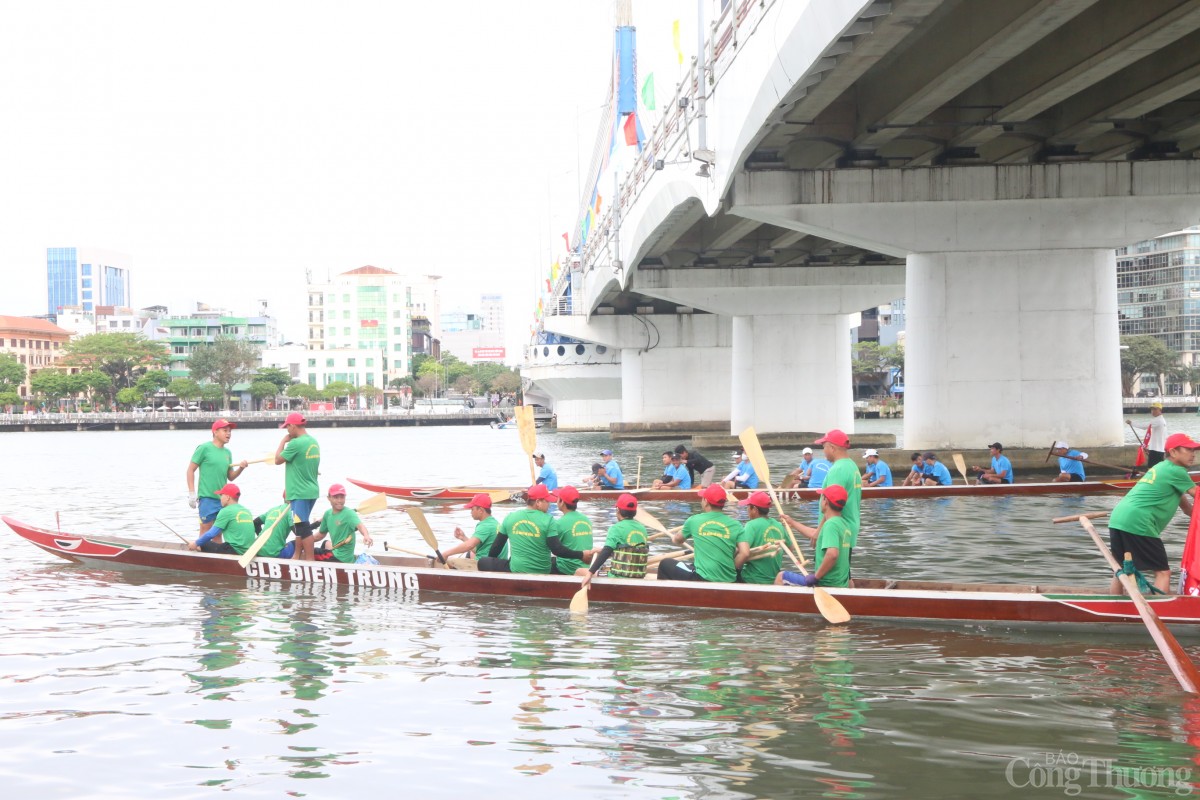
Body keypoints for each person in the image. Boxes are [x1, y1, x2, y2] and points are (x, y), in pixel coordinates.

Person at [1106, 432, 1200, 594]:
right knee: (1163, 572)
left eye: (1194, 451)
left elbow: (1187, 509)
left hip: (1119, 518)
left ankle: (1114, 604)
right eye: (1188, 450)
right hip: (1139, 522)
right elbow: (1197, 494)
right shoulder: (1177, 471)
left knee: (1122, 569)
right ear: (1173, 452)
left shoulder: (1161, 467)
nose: (1193, 455)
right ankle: (1161, 610)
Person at [479, 484, 593, 573]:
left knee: (483, 561)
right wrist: (581, 555)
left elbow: (495, 548)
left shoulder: (510, 517)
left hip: (517, 569)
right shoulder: (549, 520)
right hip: (543, 570)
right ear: (538, 502)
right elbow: (556, 549)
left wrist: (493, 563)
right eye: (547, 501)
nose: (549, 504)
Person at [658, 484, 744, 582]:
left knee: (665, 564)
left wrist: (674, 538)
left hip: (701, 578)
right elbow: (744, 552)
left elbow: (677, 540)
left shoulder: (694, 520)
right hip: (729, 579)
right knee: (692, 565)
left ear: (706, 501)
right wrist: (731, 568)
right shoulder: (736, 524)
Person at [776, 484, 852, 589]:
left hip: (827, 584)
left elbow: (833, 554)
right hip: (840, 583)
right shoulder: (843, 524)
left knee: (780, 577)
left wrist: (816, 577)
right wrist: (792, 523)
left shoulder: (831, 525)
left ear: (825, 502)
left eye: (822, 498)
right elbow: (814, 534)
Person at [186, 418, 249, 536]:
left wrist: (241, 468)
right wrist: (191, 493)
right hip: (207, 497)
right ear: (215, 432)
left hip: (223, 499)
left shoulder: (227, 453)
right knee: (205, 528)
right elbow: (190, 470)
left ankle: (217, 554)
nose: (228, 433)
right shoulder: (204, 448)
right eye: (225, 430)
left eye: (230, 431)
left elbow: (231, 477)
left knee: (218, 532)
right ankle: (200, 551)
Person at [275, 411, 321, 561]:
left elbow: (277, 460)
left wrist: (283, 441)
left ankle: (310, 561)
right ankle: (297, 555)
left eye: (287, 427)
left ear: (293, 426)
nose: (287, 430)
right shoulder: (313, 442)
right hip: (312, 490)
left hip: (299, 492)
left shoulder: (295, 443)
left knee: (302, 527)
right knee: (301, 526)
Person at [577, 493, 650, 586]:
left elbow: (607, 551)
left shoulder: (616, 528)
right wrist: (600, 550)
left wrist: (590, 573)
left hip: (617, 577)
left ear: (618, 510)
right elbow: (628, 552)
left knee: (579, 571)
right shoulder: (642, 529)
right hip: (638, 576)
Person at [189, 483, 256, 555]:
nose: (220, 498)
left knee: (203, 543)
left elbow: (211, 534)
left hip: (234, 551)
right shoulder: (246, 511)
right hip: (249, 551)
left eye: (221, 495)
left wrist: (195, 544)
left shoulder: (226, 511)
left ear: (227, 497)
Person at [313, 483, 373, 563]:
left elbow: (360, 526)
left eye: (342, 497)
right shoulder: (327, 514)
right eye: (336, 497)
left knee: (311, 552)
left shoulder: (349, 513)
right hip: (336, 552)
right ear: (329, 498)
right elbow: (319, 535)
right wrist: (305, 540)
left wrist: (366, 535)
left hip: (342, 559)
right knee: (325, 543)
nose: (339, 501)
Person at [736, 491, 785, 584]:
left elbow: (741, 551)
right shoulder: (779, 525)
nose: (747, 510)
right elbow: (790, 547)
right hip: (774, 578)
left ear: (754, 509)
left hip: (752, 578)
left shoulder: (751, 525)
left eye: (748, 507)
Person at [439, 493, 500, 560]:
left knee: (449, 560)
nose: (471, 512)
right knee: (469, 553)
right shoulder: (494, 522)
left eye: (472, 509)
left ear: (481, 510)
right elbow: (478, 550)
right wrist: (463, 537)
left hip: (487, 565)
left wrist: (445, 553)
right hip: (493, 562)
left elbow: (469, 545)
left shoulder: (486, 525)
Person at [550, 486, 592, 575]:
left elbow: (553, 548)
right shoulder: (586, 519)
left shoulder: (559, 523)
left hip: (567, 568)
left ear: (561, 502)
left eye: (558, 498)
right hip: (586, 565)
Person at [252, 492, 297, 559]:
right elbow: (299, 533)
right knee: (298, 542)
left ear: (283, 497)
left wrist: (264, 540)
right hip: (274, 554)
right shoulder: (291, 511)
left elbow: (255, 522)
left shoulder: (272, 510)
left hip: (258, 550)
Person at [1128, 403, 1167, 467]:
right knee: (1157, 468)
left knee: (1152, 469)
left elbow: (1144, 426)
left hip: (1156, 450)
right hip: (1158, 449)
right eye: (1152, 409)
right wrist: (1149, 447)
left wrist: (1132, 423)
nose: (1153, 411)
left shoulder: (1158, 420)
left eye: (1155, 409)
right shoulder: (1161, 420)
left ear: (1160, 410)